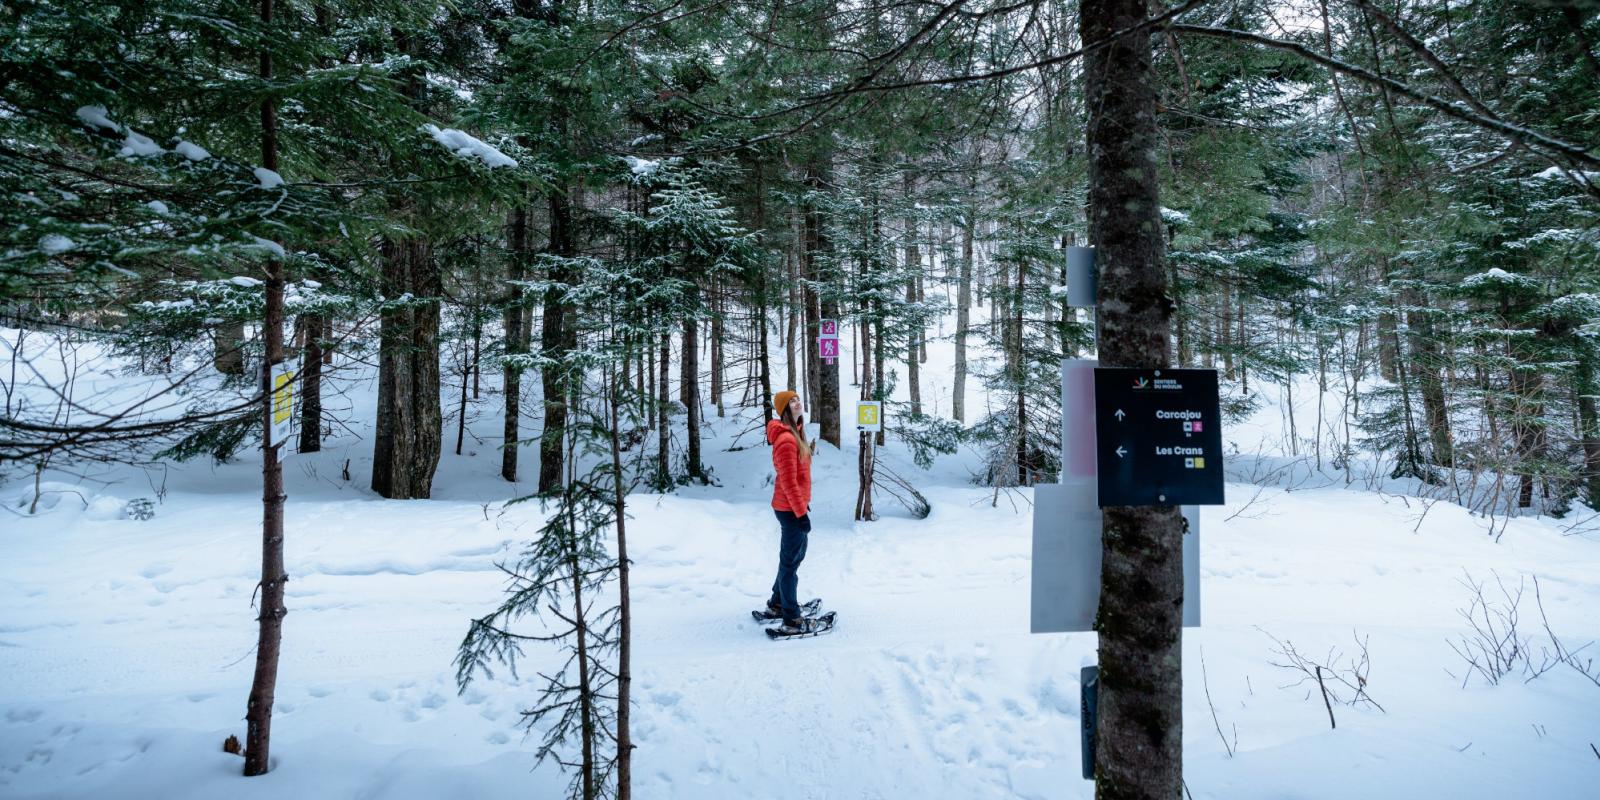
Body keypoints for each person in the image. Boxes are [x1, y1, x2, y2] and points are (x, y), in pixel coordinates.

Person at [766, 390, 818, 634]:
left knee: (792, 558)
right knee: (790, 564)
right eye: (793, 401)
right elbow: (788, 482)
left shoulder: (795, 435)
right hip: (790, 510)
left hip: (792, 507)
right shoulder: (787, 440)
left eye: (798, 398)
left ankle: (777, 603)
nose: (798, 403)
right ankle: (791, 618)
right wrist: (801, 514)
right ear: (785, 409)